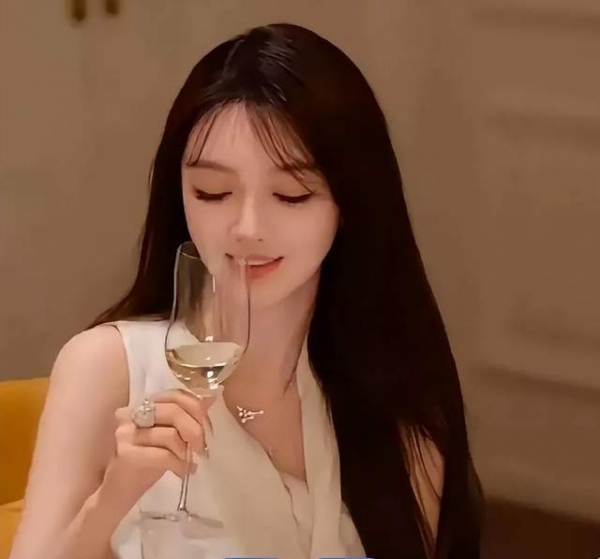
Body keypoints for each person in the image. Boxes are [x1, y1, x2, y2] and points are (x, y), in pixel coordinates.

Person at [9, 22, 483, 559]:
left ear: (351, 202)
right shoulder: (107, 369)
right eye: (213, 192)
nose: (247, 228)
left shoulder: (394, 394)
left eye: (292, 194)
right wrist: (112, 498)